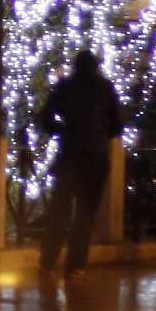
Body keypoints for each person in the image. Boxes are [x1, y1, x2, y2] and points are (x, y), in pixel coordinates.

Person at [38, 48, 126, 280]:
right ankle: (76, 265)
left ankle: (48, 261)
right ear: (96, 66)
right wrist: (98, 134)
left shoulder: (65, 86)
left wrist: (63, 130)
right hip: (95, 158)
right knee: (86, 214)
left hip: (69, 154)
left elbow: (45, 117)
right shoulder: (105, 88)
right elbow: (117, 125)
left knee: (60, 209)